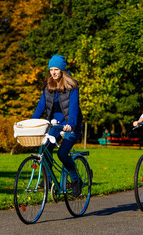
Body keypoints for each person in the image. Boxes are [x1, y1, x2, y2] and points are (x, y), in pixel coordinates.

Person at [31, 54, 83, 197]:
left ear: (62, 70)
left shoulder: (72, 86)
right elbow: (41, 105)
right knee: (44, 150)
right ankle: (48, 179)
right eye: (51, 69)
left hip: (71, 125)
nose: (53, 72)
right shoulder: (48, 86)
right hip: (55, 124)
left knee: (62, 153)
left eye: (56, 69)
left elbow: (73, 108)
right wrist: (32, 122)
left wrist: (71, 124)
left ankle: (75, 180)